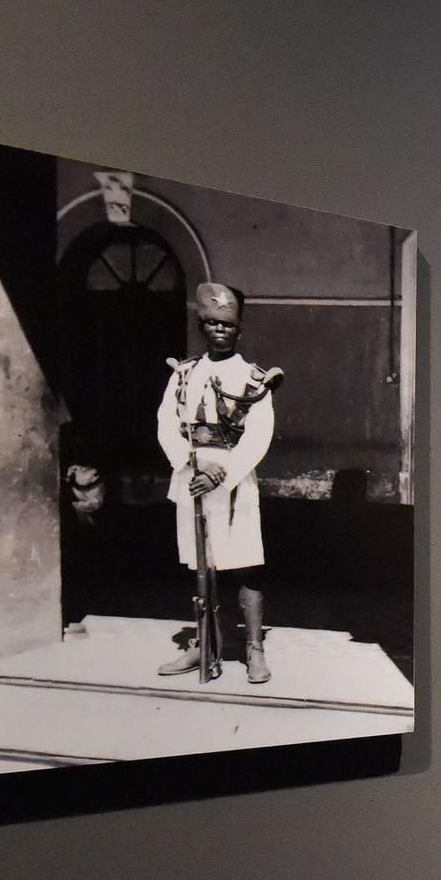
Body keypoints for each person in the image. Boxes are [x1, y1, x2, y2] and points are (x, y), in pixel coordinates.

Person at [155, 282, 280, 682]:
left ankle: (254, 650)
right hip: (191, 480)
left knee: (244, 564)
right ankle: (204, 646)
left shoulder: (254, 378)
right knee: (201, 567)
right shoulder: (184, 374)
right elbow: (166, 426)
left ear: (238, 329)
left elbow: (259, 434)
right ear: (202, 327)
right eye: (210, 323)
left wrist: (222, 473)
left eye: (226, 324)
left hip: (234, 482)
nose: (218, 330)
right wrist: (191, 468)